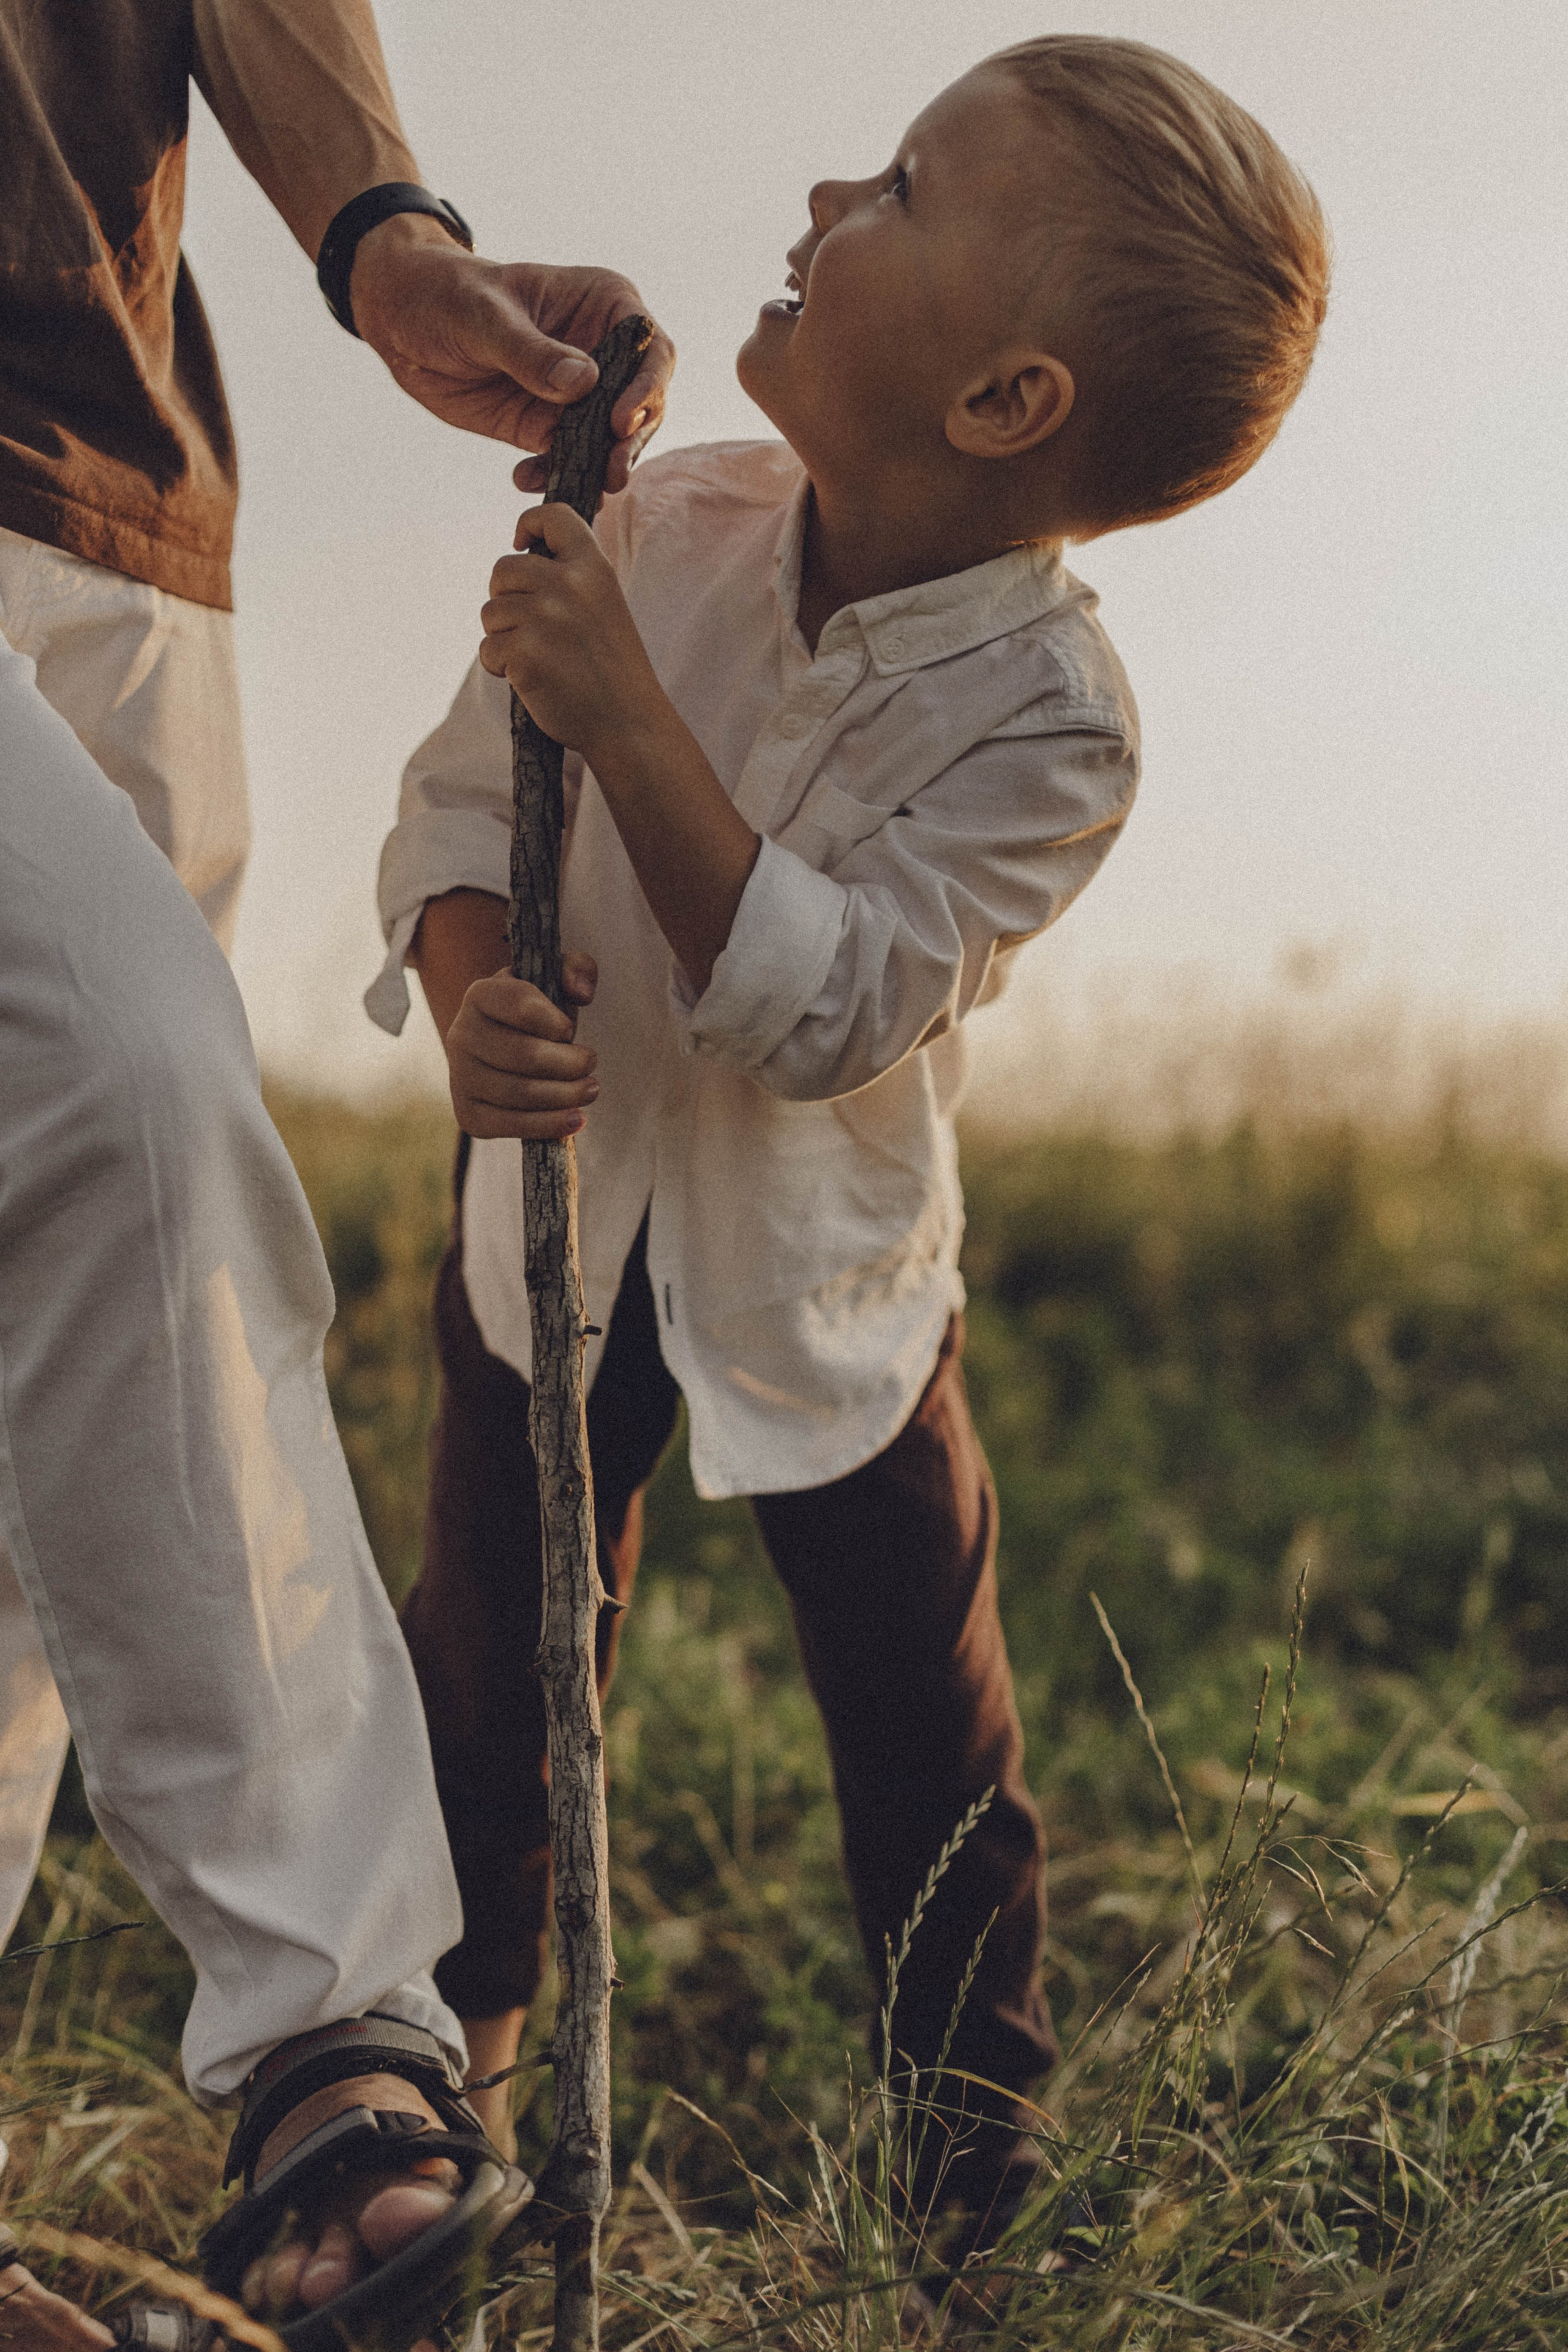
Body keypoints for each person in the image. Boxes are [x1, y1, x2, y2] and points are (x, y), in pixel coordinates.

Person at [369, 30, 1329, 2277]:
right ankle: (460, 2126)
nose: (821, 197)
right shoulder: (662, 521)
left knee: (930, 1752)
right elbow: (443, 802)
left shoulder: (1053, 722)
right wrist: (471, 987)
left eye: (898, 189)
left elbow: (824, 1008)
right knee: (494, 1688)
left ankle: (965, 2210)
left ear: (1006, 405)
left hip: (828, 1289)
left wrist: (622, 711)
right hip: (559, 1234)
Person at [0, 0, 671, 2340]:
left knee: (39, 1404)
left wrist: (382, 235)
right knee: (127, 1085)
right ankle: (328, 2035)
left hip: (115, 466)